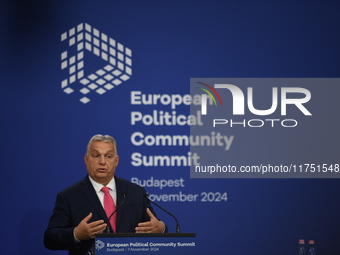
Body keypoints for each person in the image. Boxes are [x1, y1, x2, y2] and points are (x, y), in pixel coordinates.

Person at [44, 134, 166, 255]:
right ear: (86, 159)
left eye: (108, 156)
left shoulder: (136, 192)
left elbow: (155, 227)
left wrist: (161, 228)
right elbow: (50, 238)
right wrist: (76, 234)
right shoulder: (69, 196)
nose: (102, 162)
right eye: (96, 156)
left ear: (116, 161)